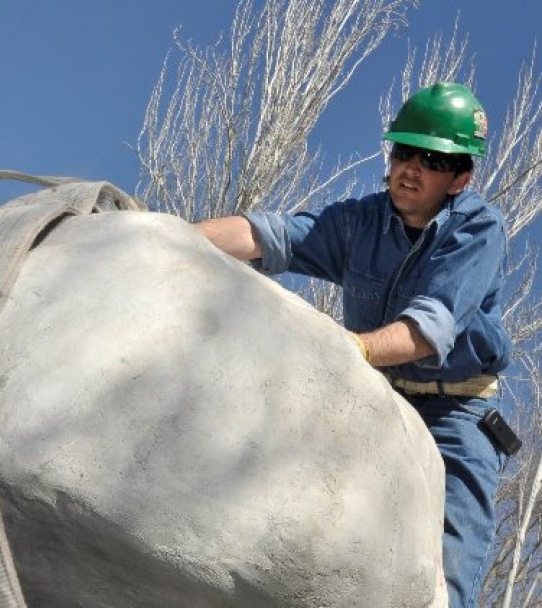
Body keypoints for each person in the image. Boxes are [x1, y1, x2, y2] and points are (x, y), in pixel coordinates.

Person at [196, 82, 516, 607]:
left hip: (455, 412)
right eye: (402, 152)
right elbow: (269, 236)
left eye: (431, 160)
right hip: (374, 390)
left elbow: (428, 327)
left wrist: (347, 351)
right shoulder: (358, 221)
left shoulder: (479, 229)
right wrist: (161, 233)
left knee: (448, 570)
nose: (409, 168)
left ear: (460, 178)